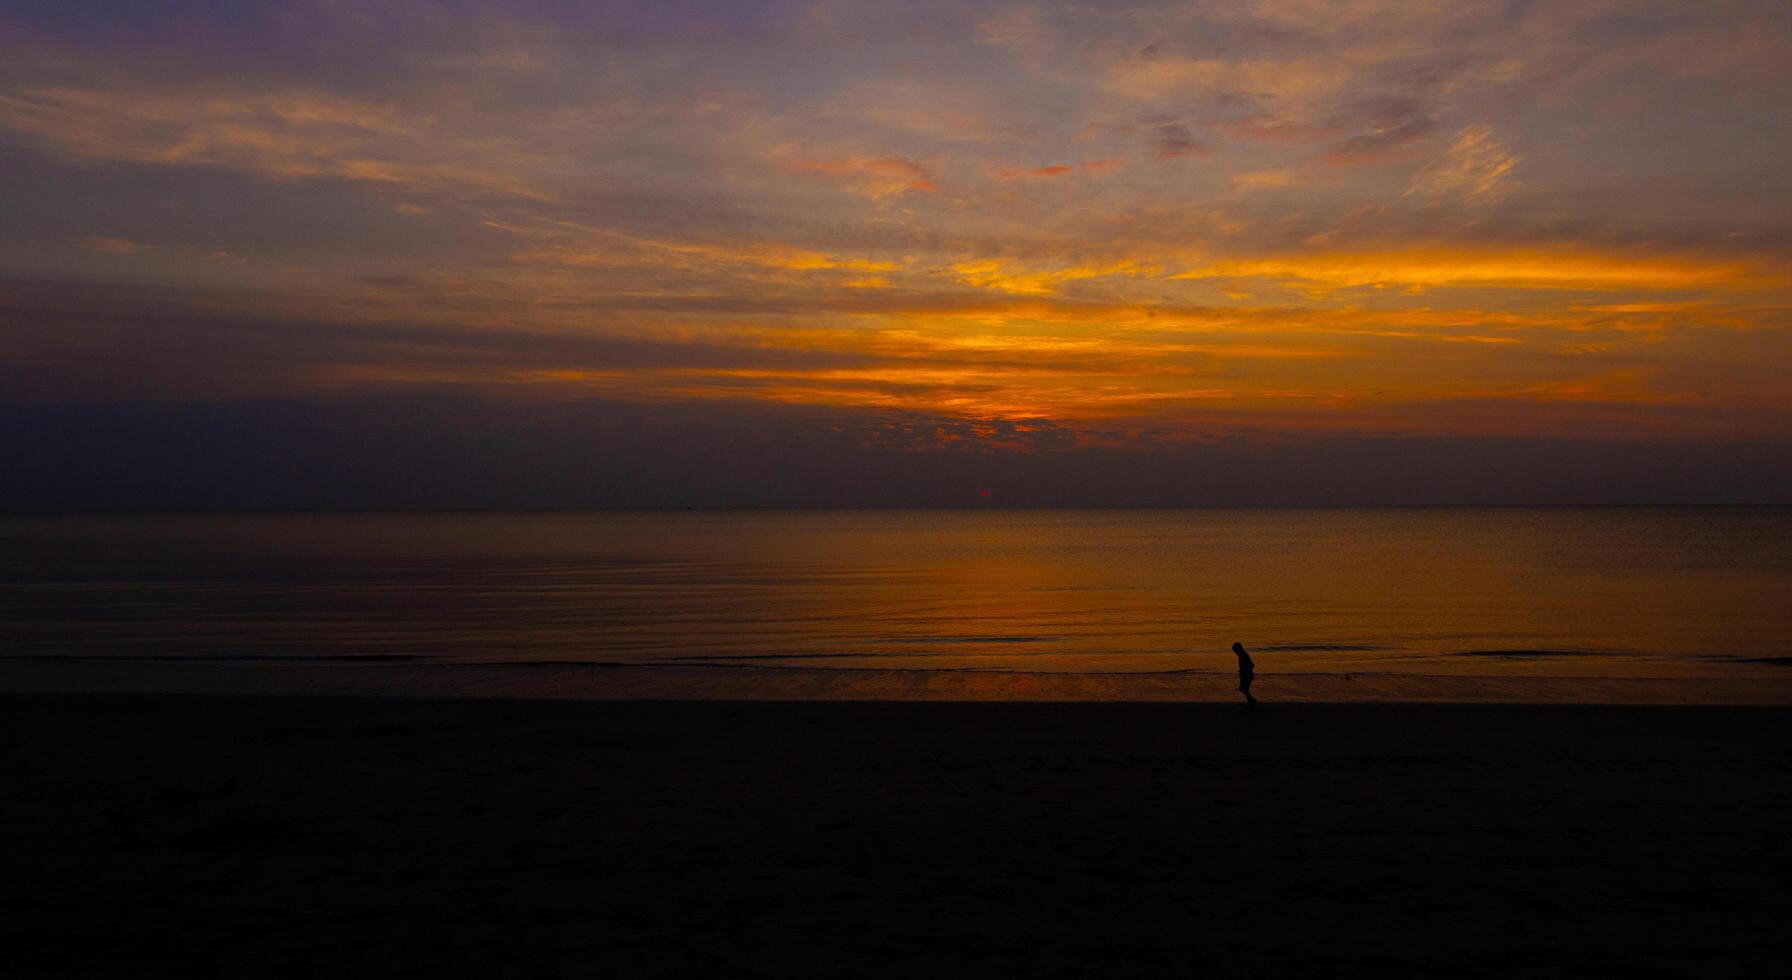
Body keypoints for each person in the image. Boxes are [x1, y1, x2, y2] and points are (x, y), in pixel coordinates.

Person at [1231, 642, 1257, 708]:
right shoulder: (1242, 655)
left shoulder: (1244, 655)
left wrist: (1244, 670)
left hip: (1247, 675)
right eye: (1234, 651)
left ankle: (1251, 701)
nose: (1235, 652)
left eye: (1235, 650)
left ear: (1239, 649)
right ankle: (1251, 701)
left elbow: (1251, 665)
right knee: (1243, 689)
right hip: (1246, 675)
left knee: (1243, 688)